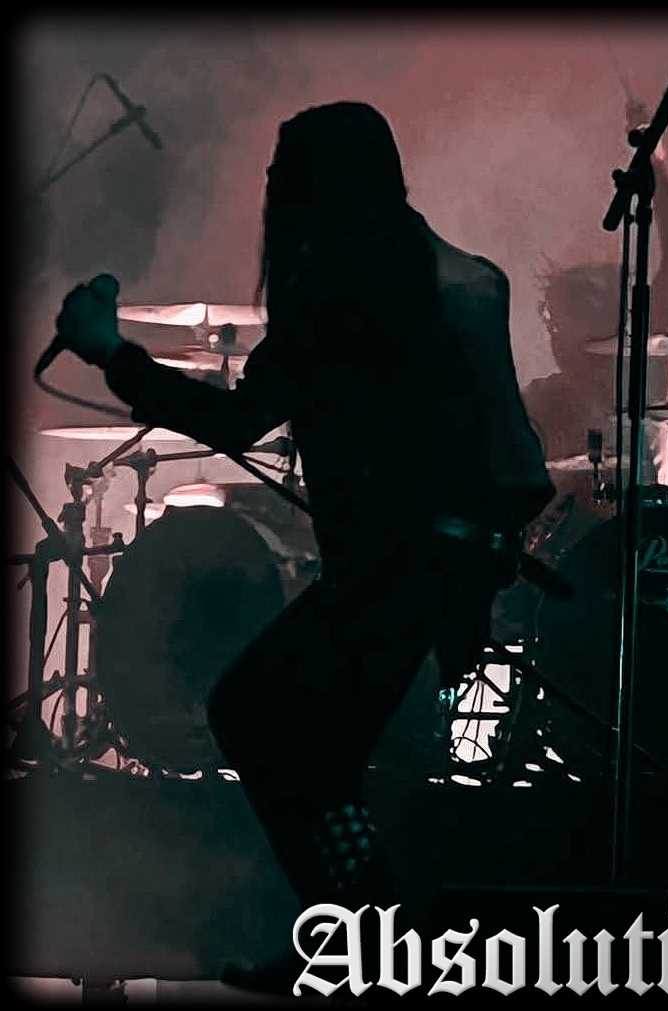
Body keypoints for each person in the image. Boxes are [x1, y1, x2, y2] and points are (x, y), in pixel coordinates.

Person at [51, 100, 555, 999]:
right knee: (317, 757)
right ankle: (367, 938)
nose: (272, 193)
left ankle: (367, 938)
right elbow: (503, 452)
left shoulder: (338, 281)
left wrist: (110, 353)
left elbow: (238, 419)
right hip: (443, 562)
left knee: (253, 714)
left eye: (282, 176)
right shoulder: (449, 272)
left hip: (397, 566)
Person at [519, 98, 668, 558]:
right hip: (565, 567)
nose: (556, 337)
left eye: (566, 322)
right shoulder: (541, 398)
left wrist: (655, 162)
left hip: (646, 551)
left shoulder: (648, 369)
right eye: (553, 324)